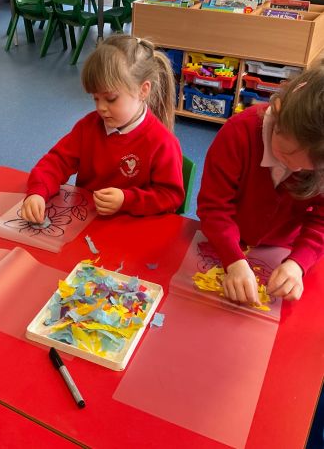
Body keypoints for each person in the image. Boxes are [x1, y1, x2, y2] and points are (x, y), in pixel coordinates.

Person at [21, 35, 184, 223]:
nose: (101, 108)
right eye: (96, 98)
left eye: (111, 99)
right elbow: (56, 162)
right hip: (86, 223)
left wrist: (126, 200)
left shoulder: (162, 142)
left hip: (130, 228)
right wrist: (37, 192)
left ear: (143, 90)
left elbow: (170, 197)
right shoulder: (88, 127)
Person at [197, 62, 324, 304]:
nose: (294, 168)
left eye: (306, 168)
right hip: (227, 240)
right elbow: (214, 207)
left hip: (282, 249)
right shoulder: (238, 133)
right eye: (285, 155)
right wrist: (233, 259)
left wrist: (298, 263)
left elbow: (321, 220)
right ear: (278, 111)